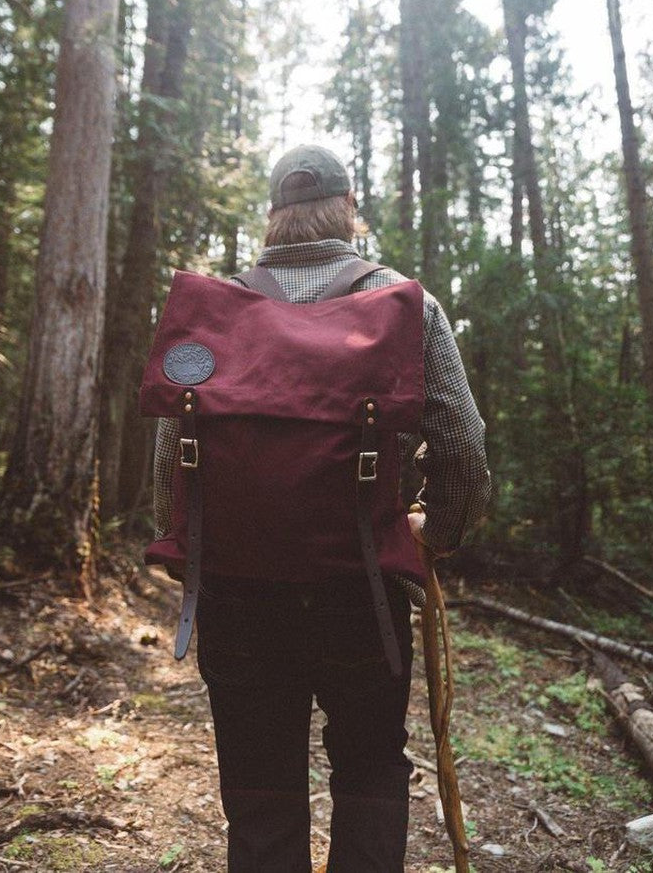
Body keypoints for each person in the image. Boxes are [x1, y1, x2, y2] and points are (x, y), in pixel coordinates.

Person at [149, 143, 490, 872]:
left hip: (237, 594)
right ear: (349, 208)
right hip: (361, 592)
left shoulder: (213, 311)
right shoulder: (404, 304)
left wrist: (191, 556)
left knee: (259, 783)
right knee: (370, 768)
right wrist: (436, 532)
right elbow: (462, 445)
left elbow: (170, 459)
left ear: (275, 214)